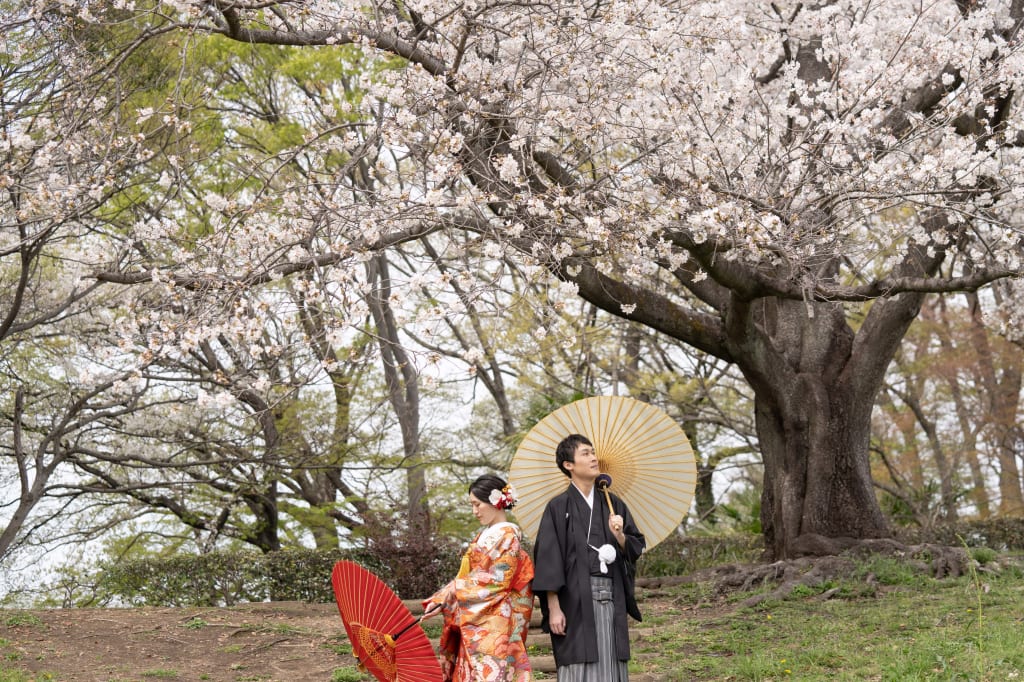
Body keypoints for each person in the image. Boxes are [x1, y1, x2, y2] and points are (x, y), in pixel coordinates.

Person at [532, 434, 645, 681]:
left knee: (611, 661)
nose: (594, 458)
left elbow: (635, 548)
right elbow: (548, 558)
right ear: (568, 465)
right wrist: (553, 608)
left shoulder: (613, 503)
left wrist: (621, 536)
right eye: (586, 453)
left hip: (611, 596)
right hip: (574, 600)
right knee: (578, 661)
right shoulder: (558, 507)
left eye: (593, 453)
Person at [423, 474, 535, 681]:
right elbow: (469, 577)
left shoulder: (508, 535)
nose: (474, 511)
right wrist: (441, 598)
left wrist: (453, 592)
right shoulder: (487, 535)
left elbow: (496, 581)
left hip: (494, 621)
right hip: (478, 618)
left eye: (477, 504)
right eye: (471, 506)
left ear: (495, 502)